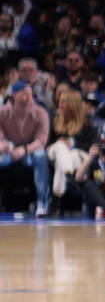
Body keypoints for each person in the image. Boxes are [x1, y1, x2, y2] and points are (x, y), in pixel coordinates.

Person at [1, 80, 54, 215]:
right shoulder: (2, 112)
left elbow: (41, 141)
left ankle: (42, 203)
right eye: (24, 93)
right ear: (14, 94)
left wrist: (24, 150)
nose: (29, 96)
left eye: (30, 93)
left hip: (29, 152)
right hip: (8, 152)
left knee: (40, 155)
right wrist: (5, 146)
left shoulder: (41, 112)